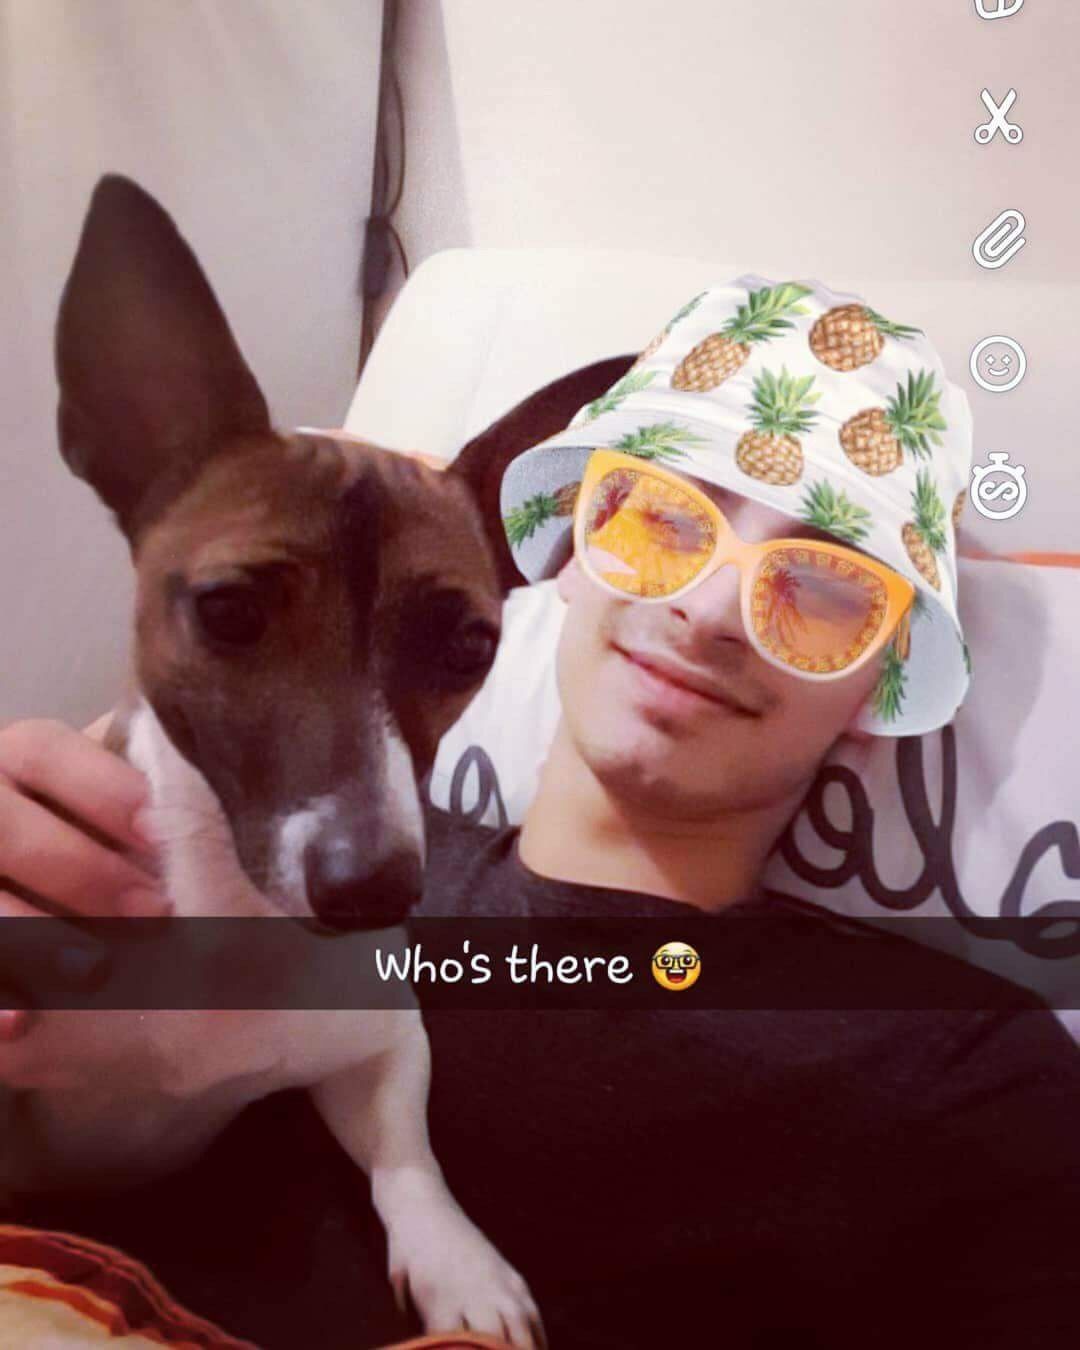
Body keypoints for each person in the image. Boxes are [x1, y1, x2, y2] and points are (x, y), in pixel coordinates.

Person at [2, 277, 1078, 1350]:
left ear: (878, 686)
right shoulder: (246, 841)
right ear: (569, 547)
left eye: (826, 585)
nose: (710, 609)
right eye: (667, 518)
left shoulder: (960, 1069)